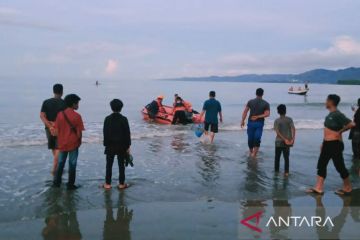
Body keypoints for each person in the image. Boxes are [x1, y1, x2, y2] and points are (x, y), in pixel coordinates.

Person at [307, 94, 355, 195]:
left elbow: (351, 124)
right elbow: (327, 131)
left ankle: (348, 187)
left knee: (339, 166)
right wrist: (323, 143)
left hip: (335, 144)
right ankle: (318, 188)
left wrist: (340, 131)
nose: (325, 102)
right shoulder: (329, 115)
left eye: (326, 100)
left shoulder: (337, 114)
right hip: (327, 144)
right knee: (321, 165)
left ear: (331, 102)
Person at [53, 94, 84, 190]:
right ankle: (70, 185)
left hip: (62, 143)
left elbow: (56, 130)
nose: (78, 105)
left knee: (61, 163)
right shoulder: (77, 116)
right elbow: (79, 132)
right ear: (73, 104)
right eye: (77, 103)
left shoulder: (60, 114)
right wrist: (79, 141)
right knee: (72, 164)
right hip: (73, 143)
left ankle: (57, 183)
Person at [103, 99, 131, 190]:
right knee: (121, 166)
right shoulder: (124, 119)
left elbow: (105, 133)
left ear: (111, 108)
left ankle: (107, 184)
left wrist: (105, 144)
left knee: (109, 165)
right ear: (121, 108)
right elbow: (127, 134)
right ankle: (121, 184)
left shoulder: (107, 119)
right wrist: (128, 146)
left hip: (110, 145)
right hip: (121, 146)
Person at [40, 84, 66, 175]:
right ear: (62, 92)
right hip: (60, 129)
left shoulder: (46, 102)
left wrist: (50, 126)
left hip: (48, 128)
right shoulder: (65, 103)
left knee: (54, 148)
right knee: (58, 148)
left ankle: (57, 168)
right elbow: (66, 118)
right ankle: (54, 171)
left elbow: (42, 116)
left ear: (53, 91)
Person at [241, 88, 270, 158]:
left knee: (251, 139)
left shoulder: (251, 101)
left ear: (256, 93)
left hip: (254, 123)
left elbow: (245, 111)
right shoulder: (265, 103)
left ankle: (253, 154)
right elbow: (267, 114)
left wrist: (242, 120)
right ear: (263, 94)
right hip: (257, 123)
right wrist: (259, 116)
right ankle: (252, 153)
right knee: (256, 138)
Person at [274, 104, 296, 176]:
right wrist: (292, 139)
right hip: (287, 142)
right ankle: (286, 173)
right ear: (285, 111)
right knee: (286, 158)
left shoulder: (277, 120)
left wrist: (284, 139)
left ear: (278, 112)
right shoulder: (289, 119)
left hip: (278, 142)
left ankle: (276, 172)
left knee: (277, 158)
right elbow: (293, 129)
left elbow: (277, 131)